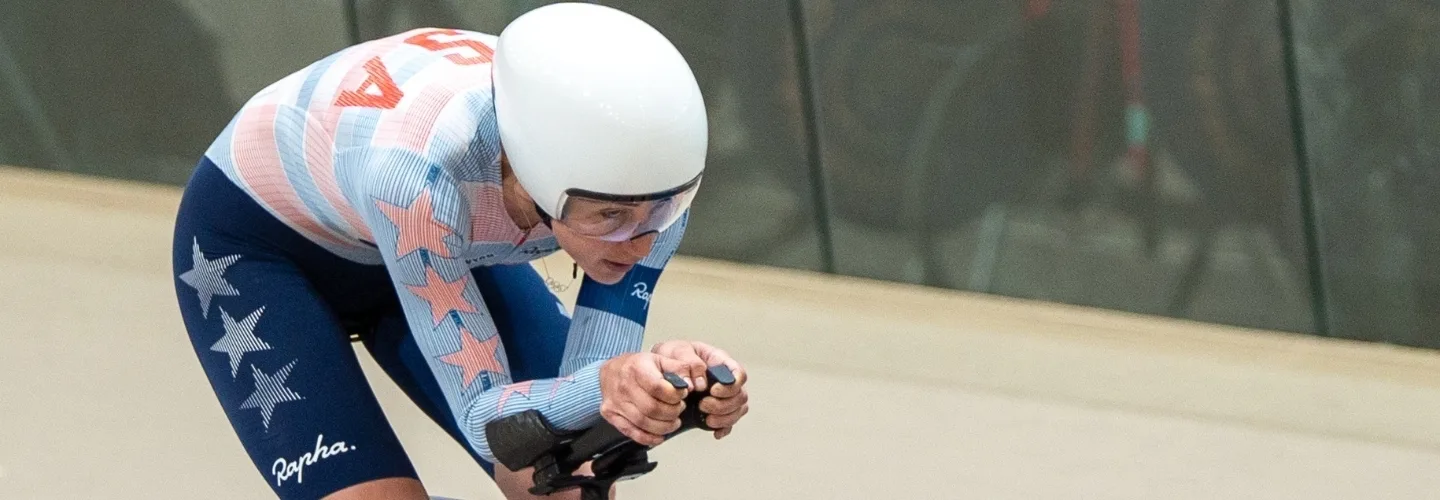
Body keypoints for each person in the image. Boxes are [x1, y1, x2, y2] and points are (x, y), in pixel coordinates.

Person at [169, 3, 751, 499]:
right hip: (264, 251)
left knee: (570, 490)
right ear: (535, 174)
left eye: (661, 212)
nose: (641, 241)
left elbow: (586, 408)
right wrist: (606, 385)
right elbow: (485, 419)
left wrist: (664, 385)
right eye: (610, 216)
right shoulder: (416, 181)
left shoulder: (650, 191)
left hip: (438, 242)